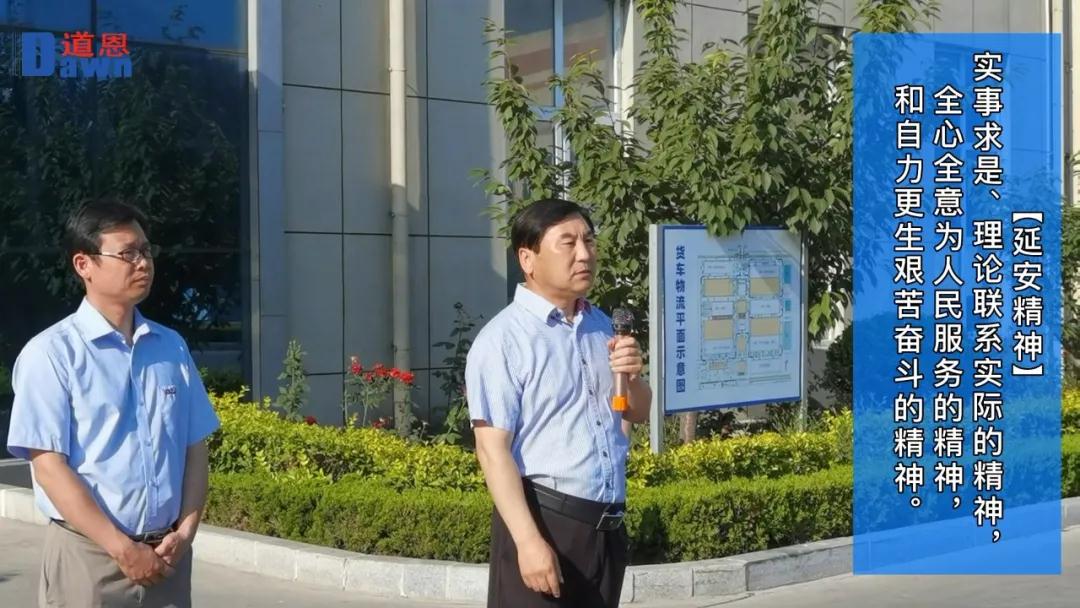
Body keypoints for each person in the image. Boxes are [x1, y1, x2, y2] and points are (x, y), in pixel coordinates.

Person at [6, 199, 221, 608]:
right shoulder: (51, 354)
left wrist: (186, 532)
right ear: (84, 264)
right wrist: (122, 548)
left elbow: (195, 447)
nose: (143, 263)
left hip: (168, 560)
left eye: (146, 250)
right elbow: (49, 467)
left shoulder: (171, 347)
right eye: (128, 253)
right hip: (90, 561)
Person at [465, 198, 652, 607]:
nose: (584, 254)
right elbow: (492, 450)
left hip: (606, 530)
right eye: (568, 243)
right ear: (527, 259)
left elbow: (637, 410)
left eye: (589, 241)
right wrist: (528, 542)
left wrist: (633, 376)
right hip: (545, 523)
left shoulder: (602, 327)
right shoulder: (504, 341)